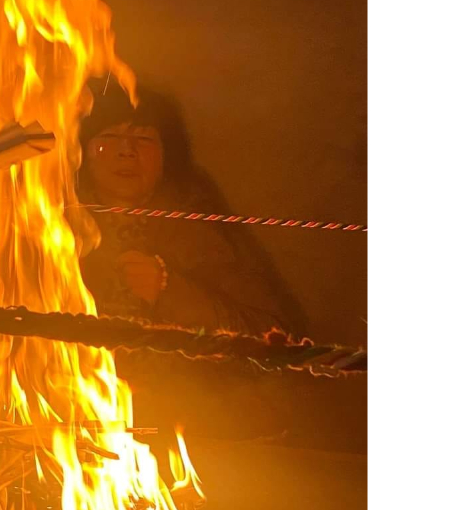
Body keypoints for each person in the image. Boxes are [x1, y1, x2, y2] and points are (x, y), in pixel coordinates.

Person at [76, 80, 304, 335]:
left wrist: (168, 290)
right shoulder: (52, 227)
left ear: (166, 155)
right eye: (109, 137)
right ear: (82, 151)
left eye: (143, 138)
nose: (127, 151)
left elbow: (275, 334)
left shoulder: (198, 231)